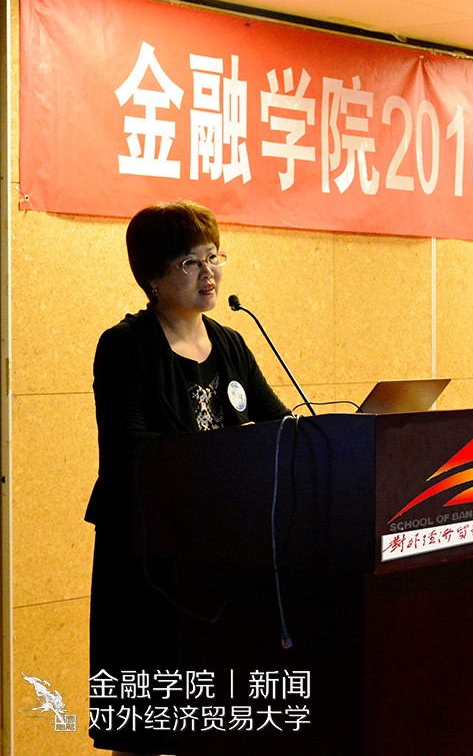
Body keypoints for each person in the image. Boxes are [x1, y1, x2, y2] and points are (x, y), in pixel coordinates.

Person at [86, 200, 291, 755]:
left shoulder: (230, 342)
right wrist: (225, 456)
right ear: (152, 276)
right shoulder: (125, 346)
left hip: (220, 553)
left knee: (217, 709)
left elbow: (276, 424)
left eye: (214, 257)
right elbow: (130, 448)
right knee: (146, 715)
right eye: (190, 262)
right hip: (146, 553)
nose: (209, 273)